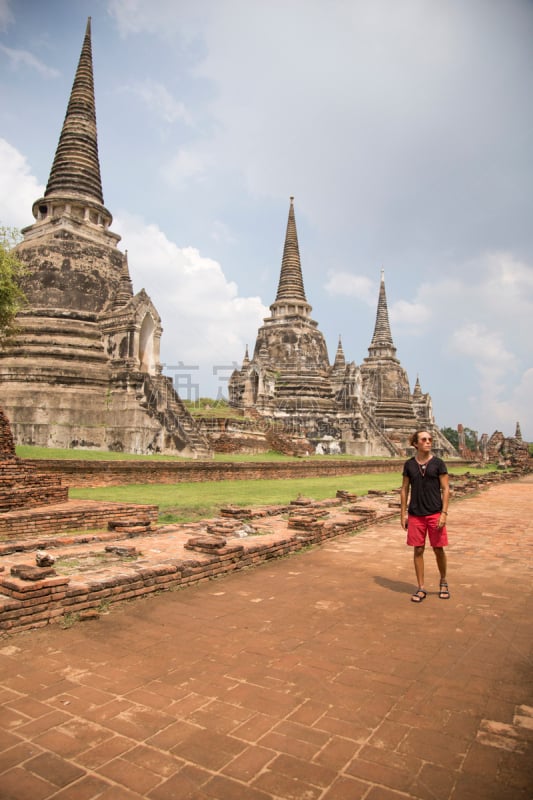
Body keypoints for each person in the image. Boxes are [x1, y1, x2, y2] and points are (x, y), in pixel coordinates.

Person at [400, 430, 450, 603]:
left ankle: (443, 581)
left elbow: (446, 489)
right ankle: (421, 587)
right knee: (418, 549)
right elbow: (404, 489)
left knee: (438, 549)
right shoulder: (409, 465)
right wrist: (403, 513)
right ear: (416, 444)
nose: (428, 442)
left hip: (435, 512)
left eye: (430, 439)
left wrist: (444, 513)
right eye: (424, 439)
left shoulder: (438, 463)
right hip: (416, 513)